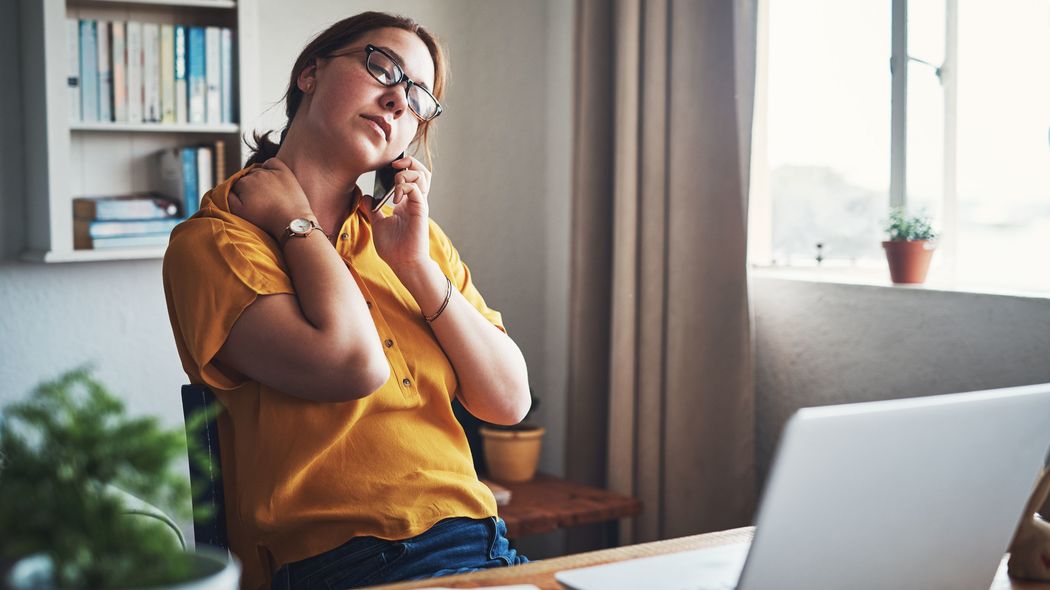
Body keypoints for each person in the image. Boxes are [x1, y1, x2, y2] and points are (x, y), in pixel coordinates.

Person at [162, 11, 532, 590]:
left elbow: (509, 401)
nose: (397, 102)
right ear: (309, 72)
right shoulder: (215, 240)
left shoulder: (413, 238)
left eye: (418, 99)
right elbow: (353, 364)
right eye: (382, 67)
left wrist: (414, 266)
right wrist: (294, 221)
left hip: (483, 542)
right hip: (349, 561)